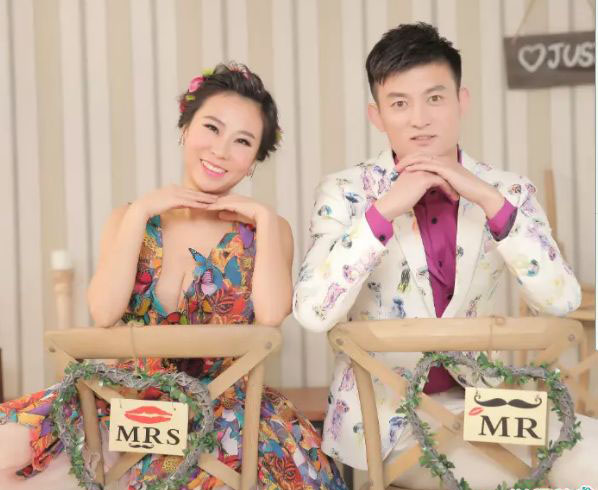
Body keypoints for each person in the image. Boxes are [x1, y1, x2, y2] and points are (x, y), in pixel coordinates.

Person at [0, 64, 347, 490]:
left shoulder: (267, 230)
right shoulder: (130, 218)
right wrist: (141, 212)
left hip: (223, 409)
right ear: (185, 129)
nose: (221, 150)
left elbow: (272, 316)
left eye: (242, 142)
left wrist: (262, 217)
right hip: (127, 404)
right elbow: (103, 311)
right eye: (212, 128)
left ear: (254, 162)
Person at [292, 23, 597, 488]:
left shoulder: (508, 190)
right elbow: (313, 312)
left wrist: (488, 199)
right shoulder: (345, 192)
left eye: (434, 98)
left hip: (489, 405)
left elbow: (561, 300)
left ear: (461, 101)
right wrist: (385, 210)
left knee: (590, 458)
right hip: (387, 421)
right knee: (521, 480)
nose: (419, 119)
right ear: (377, 115)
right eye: (400, 103)